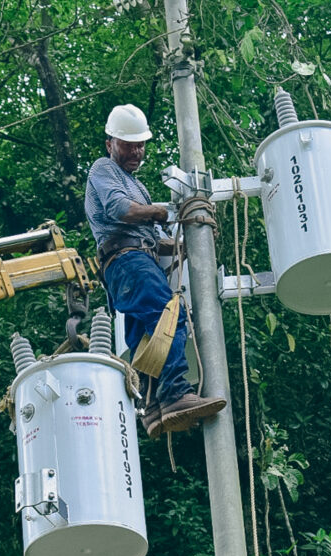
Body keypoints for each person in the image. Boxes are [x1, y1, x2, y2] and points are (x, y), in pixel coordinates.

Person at [85, 104, 226, 438]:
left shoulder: (136, 185)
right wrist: (161, 212)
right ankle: (175, 393)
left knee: (146, 339)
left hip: (134, 262)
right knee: (170, 315)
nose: (136, 150)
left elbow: (155, 239)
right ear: (110, 144)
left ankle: (151, 408)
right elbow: (122, 210)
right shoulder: (104, 169)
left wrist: (192, 238)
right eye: (128, 144)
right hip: (127, 262)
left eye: (140, 144)